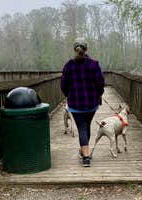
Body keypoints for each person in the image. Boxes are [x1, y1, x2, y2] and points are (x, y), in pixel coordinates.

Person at [60, 39, 105, 167]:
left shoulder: (69, 65)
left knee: (82, 128)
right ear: (86, 49)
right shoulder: (94, 64)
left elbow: (63, 85)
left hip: (75, 104)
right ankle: (85, 152)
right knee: (86, 127)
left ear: (75, 49)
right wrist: (98, 94)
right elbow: (101, 83)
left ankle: (85, 157)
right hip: (91, 103)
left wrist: (69, 95)